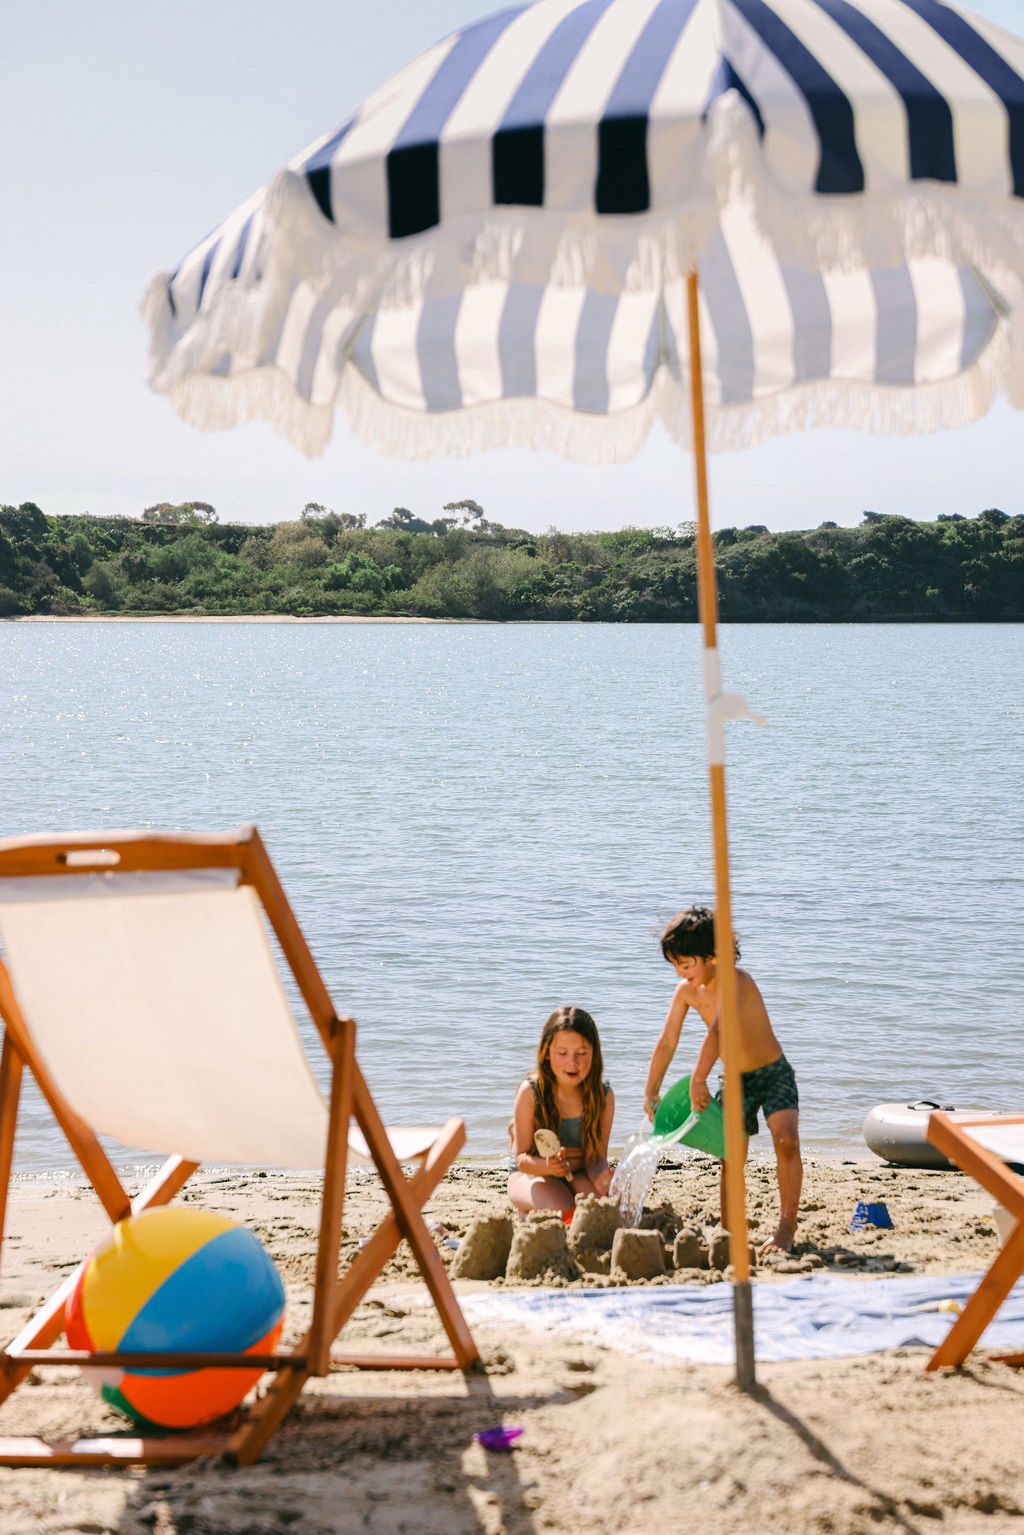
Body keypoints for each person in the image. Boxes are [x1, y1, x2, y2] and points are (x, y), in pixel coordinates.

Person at [642, 907, 802, 1256]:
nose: (680, 973)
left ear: (712, 956)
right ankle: (731, 1234)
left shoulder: (736, 981)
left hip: (773, 1072)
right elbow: (667, 1040)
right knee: (731, 1155)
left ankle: (786, 1227)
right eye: (675, 966)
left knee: (786, 1140)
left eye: (685, 965)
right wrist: (651, 1091)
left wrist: (698, 1078)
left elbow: (718, 1032)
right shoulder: (686, 991)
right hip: (735, 1079)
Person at [508, 1005, 615, 1216]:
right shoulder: (531, 1092)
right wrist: (549, 1167)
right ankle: (529, 1211)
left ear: (594, 1053)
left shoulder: (602, 1095)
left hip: (580, 1173)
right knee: (563, 1211)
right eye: (562, 1053)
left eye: (581, 1053)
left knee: (601, 1212)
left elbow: (595, 1158)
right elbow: (522, 1160)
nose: (572, 1063)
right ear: (547, 1053)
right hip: (533, 1175)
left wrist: (603, 1179)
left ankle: (539, 1208)